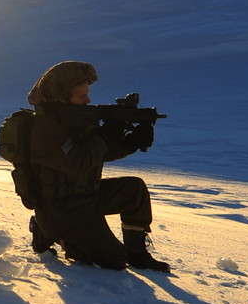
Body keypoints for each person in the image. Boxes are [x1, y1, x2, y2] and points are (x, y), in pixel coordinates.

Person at [25, 60, 169, 273]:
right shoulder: (45, 128)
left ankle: (137, 253)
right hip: (63, 208)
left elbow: (98, 154)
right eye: (81, 96)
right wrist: (105, 135)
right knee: (114, 260)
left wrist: (132, 142)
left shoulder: (76, 120)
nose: (88, 100)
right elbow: (77, 163)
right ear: (61, 98)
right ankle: (48, 230)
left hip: (86, 196)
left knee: (133, 189)